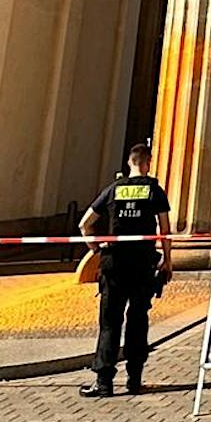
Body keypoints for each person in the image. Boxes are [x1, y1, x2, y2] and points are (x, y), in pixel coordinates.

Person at [79, 142, 171, 399]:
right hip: (142, 262)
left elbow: (84, 224)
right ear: (147, 162)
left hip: (114, 263)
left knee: (110, 322)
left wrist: (96, 249)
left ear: (130, 163)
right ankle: (135, 377)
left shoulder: (112, 190)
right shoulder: (155, 190)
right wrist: (168, 259)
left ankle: (104, 381)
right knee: (138, 318)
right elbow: (165, 229)